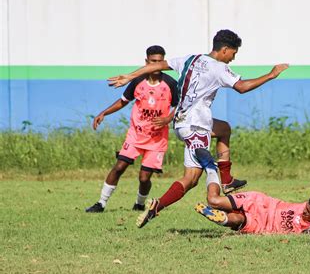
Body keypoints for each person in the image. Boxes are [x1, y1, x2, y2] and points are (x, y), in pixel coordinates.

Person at [108, 29, 289, 226]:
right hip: (196, 126)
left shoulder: (191, 59)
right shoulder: (219, 68)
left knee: (197, 170)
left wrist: (129, 76)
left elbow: (158, 65)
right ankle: (216, 201)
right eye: (234, 53)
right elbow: (242, 87)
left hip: (182, 123)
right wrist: (271, 75)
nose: (233, 58)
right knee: (209, 166)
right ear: (225, 49)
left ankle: (158, 206)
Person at [194, 146, 310, 234]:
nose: (306, 208)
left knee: (237, 219)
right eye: (308, 204)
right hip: (262, 203)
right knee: (214, 200)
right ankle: (210, 166)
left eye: (309, 210)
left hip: (262, 225)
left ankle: (222, 218)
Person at [85, 45, 179, 212]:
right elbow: (123, 101)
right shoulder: (137, 81)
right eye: (153, 61)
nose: (156, 64)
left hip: (157, 139)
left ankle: (139, 204)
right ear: (146, 61)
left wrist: (167, 119)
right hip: (135, 136)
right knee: (119, 167)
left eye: (160, 61)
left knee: (144, 178)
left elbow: (180, 107)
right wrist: (104, 113)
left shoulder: (170, 84)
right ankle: (101, 203)